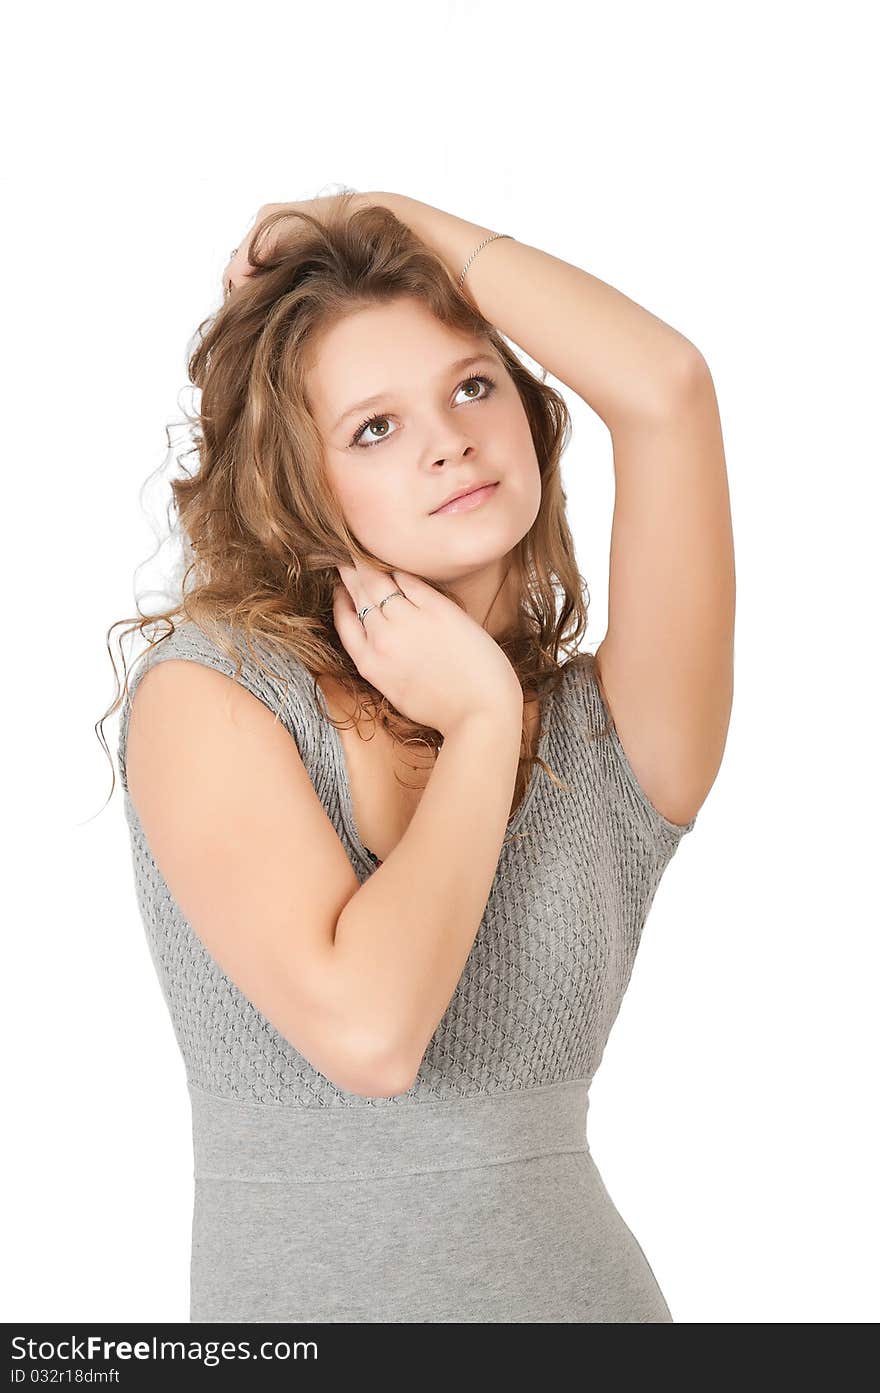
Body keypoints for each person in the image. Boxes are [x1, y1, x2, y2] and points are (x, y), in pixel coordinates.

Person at [106, 189, 734, 1322]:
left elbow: (668, 388)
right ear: (300, 491)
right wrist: (481, 725)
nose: (450, 437)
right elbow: (371, 1033)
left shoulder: (616, 734)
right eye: (375, 427)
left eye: (472, 384)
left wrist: (379, 214)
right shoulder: (215, 694)